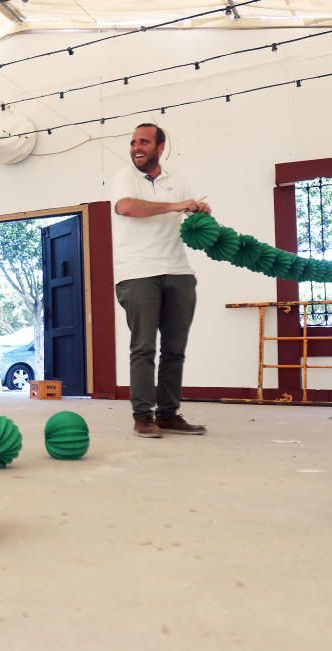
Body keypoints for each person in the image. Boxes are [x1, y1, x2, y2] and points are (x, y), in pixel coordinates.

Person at [110, 123, 210, 439]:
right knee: (143, 347)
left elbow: (187, 215)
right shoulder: (124, 177)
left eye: (144, 142)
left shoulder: (176, 179)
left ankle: (168, 415)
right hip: (137, 272)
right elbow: (126, 207)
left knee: (175, 349)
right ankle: (143, 416)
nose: (136, 147)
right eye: (133, 142)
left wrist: (197, 210)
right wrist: (175, 205)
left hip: (178, 272)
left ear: (160, 147)